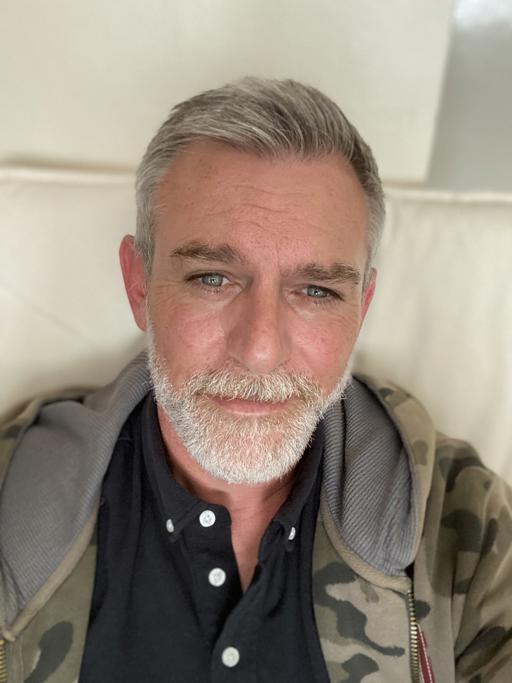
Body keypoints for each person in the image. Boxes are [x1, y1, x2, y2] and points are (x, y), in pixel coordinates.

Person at [0, 78, 511, 683]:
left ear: (362, 307)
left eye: (316, 291)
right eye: (213, 278)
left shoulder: (464, 528)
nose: (261, 350)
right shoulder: (10, 502)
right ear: (139, 285)